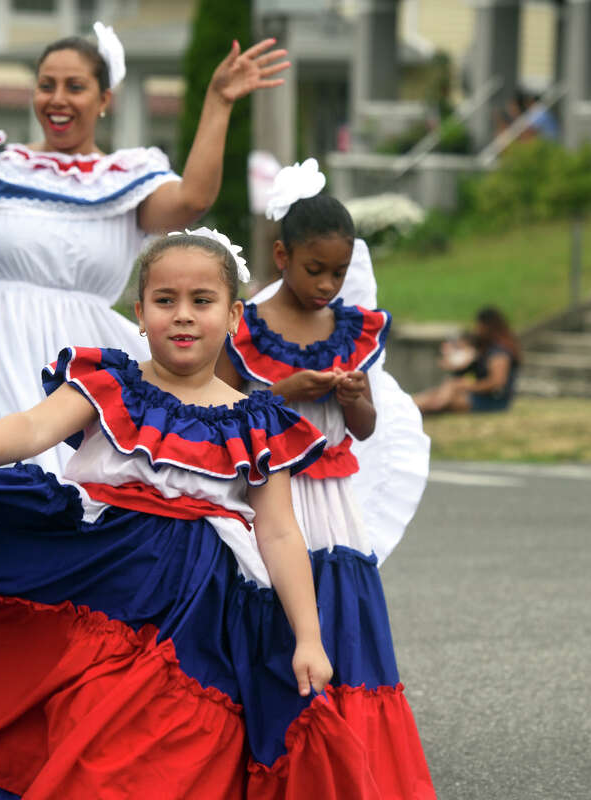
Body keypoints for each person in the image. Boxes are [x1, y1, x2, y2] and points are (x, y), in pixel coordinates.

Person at [0, 231, 416, 799]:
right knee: (94, 736)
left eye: (201, 301)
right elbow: (35, 426)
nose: (182, 315)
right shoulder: (109, 382)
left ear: (231, 318)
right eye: (164, 299)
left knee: (173, 750)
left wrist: (308, 637)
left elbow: (280, 532)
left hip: (201, 615)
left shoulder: (256, 421)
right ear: (139, 313)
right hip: (102, 583)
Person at [0, 22, 289, 476]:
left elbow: (192, 199)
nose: (58, 98)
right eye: (46, 85)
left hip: (79, 349)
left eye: (75, 86)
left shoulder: (126, 176)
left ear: (104, 100)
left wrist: (219, 102)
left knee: (79, 486)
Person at [215, 160, 436, 799]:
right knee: (268, 621)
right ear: (281, 256)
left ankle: (345, 768)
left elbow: (363, 431)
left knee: (340, 621)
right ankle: (274, 761)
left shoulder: (349, 330)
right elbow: (220, 410)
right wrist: (283, 390)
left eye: (339, 273)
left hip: (333, 504)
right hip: (268, 494)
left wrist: (356, 398)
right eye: (316, 270)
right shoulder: (246, 328)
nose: (328, 284)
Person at [413, 307, 520, 414]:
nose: (476, 329)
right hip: (479, 395)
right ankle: (410, 405)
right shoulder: (485, 348)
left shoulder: (499, 353)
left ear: (487, 327)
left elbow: (496, 383)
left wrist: (468, 385)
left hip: (492, 401)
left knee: (446, 397)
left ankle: (412, 409)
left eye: (479, 325)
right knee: (440, 392)